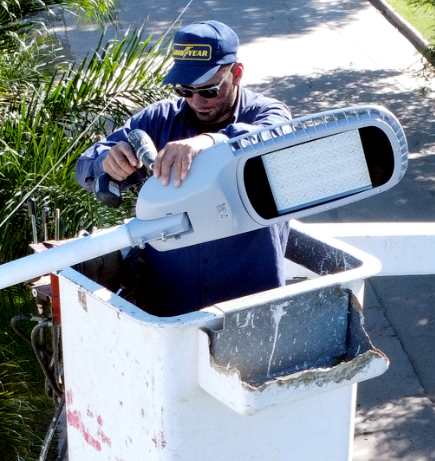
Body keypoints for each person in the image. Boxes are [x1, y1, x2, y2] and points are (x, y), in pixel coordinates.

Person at [76, 20, 293, 316]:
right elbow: (86, 165)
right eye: (185, 90)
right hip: (170, 303)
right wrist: (109, 161)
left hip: (250, 302)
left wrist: (208, 142)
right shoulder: (158, 120)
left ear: (237, 73)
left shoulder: (266, 112)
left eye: (209, 90)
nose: (197, 101)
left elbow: (274, 136)